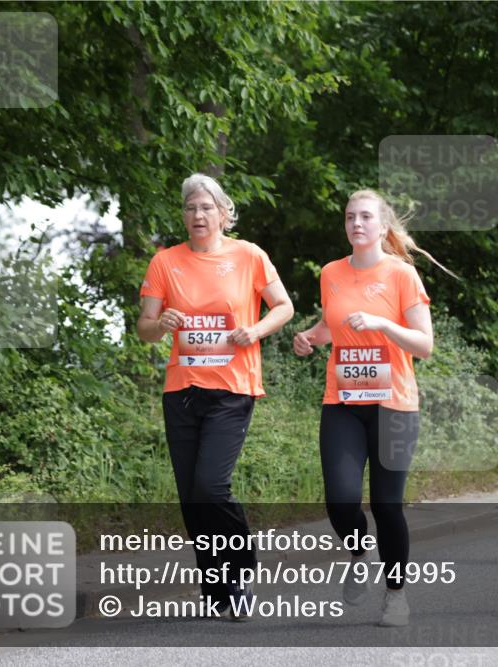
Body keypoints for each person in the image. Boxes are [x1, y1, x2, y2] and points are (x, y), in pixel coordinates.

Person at [137, 173, 294, 619]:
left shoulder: (249, 256)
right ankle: (216, 586)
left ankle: (241, 570)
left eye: (207, 207)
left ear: (224, 214)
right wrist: (160, 324)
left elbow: (284, 306)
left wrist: (256, 330)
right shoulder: (165, 262)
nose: (198, 215)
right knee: (191, 496)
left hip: (232, 388)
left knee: (211, 485)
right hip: (181, 390)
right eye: (190, 208)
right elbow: (145, 327)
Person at [293, 189, 441, 627]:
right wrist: (310, 337)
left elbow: (424, 344)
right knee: (340, 501)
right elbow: (332, 323)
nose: (356, 224)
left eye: (365, 217)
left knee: (387, 505)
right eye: (350, 217)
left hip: (393, 404)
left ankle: (396, 595)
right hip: (343, 402)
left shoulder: (401, 275)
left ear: (382, 226)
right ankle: (360, 552)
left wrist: (382, 323)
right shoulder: (331, 273)